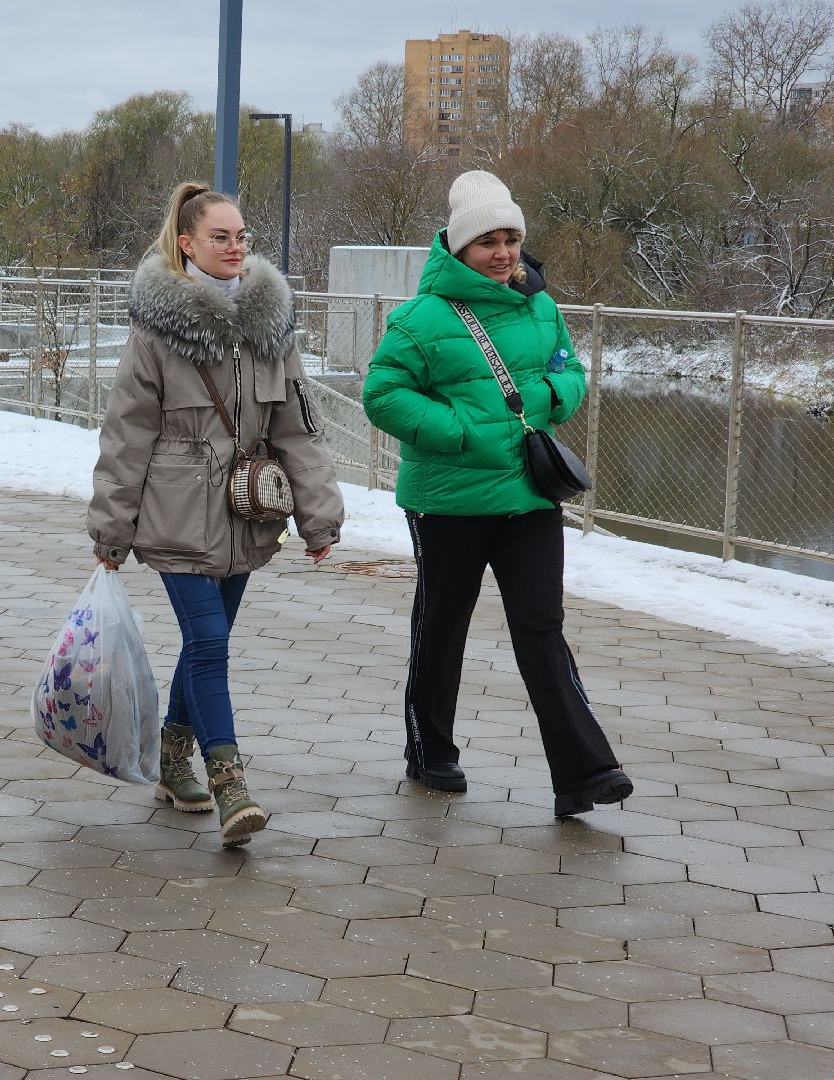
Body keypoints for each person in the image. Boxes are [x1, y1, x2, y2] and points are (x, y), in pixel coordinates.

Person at [362, 170, 632, 819]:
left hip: (530, 500)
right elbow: (381, 393)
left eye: (511, 238)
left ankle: (585, 772)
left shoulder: (539, 305)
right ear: (459, 247)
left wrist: (552, 396)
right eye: (488, 240)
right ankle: (430, 750)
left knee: (541, 627)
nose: (504, 252)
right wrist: (456, 433)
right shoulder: (421, 319)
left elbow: (568, 366)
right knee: (443, 626)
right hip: (448, 500)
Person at [87, 181, 344, 847]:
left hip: (245, 514)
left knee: (209, 643)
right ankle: (229, 781)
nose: (235, 248)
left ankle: (173, 761)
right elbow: (126, 435)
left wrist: (319, 518)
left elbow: (299, 431)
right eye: (220, 237)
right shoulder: (155, 332)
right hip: (173, 516)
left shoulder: (271, 328)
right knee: (208, 641)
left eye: (241, 237)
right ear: (187, 243)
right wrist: (111, 529)